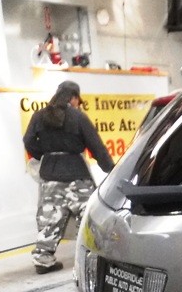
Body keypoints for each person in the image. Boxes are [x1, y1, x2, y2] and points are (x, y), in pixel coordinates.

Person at [22, 80, 115, 274]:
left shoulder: (39, 116)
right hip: (76, 176)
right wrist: (111, 170)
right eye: (77, 100)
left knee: (50, 218)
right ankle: (91, 258)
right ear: (73, 98)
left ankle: (43, 259)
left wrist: (46, 155)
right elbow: (96, 146)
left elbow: (28, 141)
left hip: (50, 175)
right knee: (88, 217)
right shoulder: (78, 117)